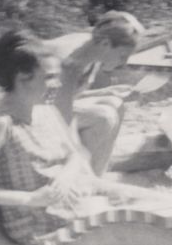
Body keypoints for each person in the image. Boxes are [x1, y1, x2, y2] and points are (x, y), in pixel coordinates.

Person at [0, 30, 141, 245]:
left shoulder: (45, 110)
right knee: (139, 226)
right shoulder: (2, 123)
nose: (57, 84)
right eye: (50, 77)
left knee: (156, 205)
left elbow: (78, 153)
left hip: (72, 198)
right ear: (23, 79)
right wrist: (30, 199)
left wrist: (65, 175)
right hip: (39, 221)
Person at [48, 11, 144, 175]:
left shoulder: (93, 49)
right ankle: (82, 177)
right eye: (122, 55)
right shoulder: (72, 61)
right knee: (104, 116)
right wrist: (78, 154)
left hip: (49, 108)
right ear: (106, 44)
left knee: (115, 103)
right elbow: (58, 112)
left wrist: (108, 91)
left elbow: (67, 96)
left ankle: (98, 175)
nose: (124, 63)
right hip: (30, 119)